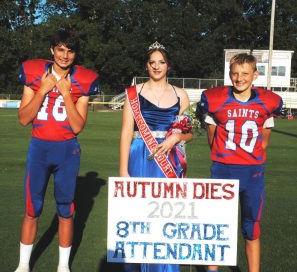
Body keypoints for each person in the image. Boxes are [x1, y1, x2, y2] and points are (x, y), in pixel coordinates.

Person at [15, 27, 99, 272]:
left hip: (66, 152)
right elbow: (23, 119)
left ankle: (63, 266)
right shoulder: (33, 74)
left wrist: (64, 92)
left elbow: (77, 126)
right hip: (39, 149)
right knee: (32, 208)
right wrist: (42, 89)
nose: (65, 55)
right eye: (60, 49)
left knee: (65, 208)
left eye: (70, 51)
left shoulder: (82, 80)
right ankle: (23, 265)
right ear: (52, 50)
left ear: (75, 54)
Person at [197, 53, 283, 272]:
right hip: (223, 170)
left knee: (252, 227)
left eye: (245, 73)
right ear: (229, 74)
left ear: (255, 74)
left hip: (252, 173)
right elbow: (212, 138)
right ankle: (212, 270)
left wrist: (246, 158)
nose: (239, 78)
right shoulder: (216, 99)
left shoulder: (267, 102)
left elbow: (263, 142)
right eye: (235, 73)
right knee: (215, 226)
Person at [119, 41, 193, 272]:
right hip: (140, 154)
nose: (157, 66)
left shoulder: (181, 94)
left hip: (169, 158)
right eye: (152, 62)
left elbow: (190, 134)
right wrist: (123, 171)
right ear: (146, 65)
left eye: (161, 62)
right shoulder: (133, 93)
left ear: (168, 65)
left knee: (166, 216)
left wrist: (176, 139)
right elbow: (125, 133)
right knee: (138, 216)